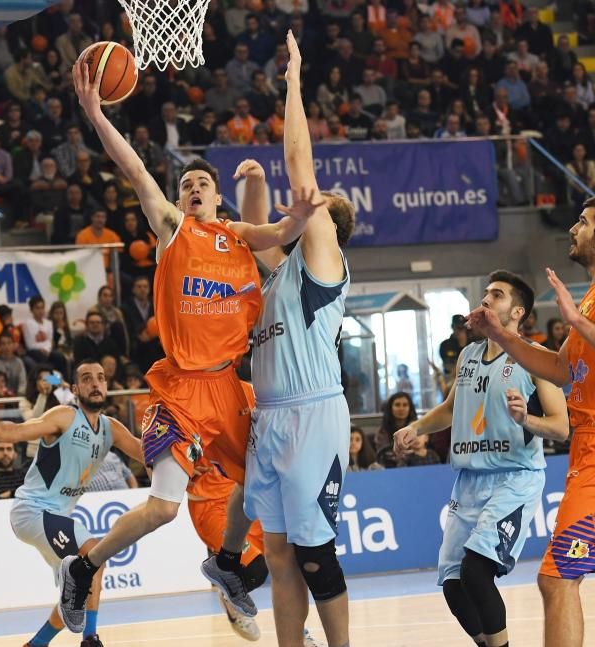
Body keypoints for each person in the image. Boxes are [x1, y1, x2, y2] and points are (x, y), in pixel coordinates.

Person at [58, 52, 318, 631]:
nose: (193, 188)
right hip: (179, 387)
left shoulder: (237, 236)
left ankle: (227, 564)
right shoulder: (174, 229)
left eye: (202, 183)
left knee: (261, 488)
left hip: (228, 385)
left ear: (217, 197)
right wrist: (98, 115)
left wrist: (299, 214)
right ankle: (83, 567)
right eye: (186, 184)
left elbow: (280, 231)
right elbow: (135, 172)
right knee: (163, 509)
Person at [468, 195, 595, 647]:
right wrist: (502, 334)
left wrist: (577, 323)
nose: (573, 229)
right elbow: (559, 371)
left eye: (582, 222)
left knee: (556, 579)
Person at [231, 32, 358, 647]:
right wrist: (252, 181)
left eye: (318, 209)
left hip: (313, 417)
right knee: (279, 552)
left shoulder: (325, 261)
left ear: (331, 225)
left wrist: (294, 84)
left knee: (315, 556)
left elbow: (300, 169)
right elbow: (260, 235)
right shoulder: (283, 271)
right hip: (272, 418)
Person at [396, 270, 568, 647]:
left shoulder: (537, 358)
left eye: (498, 295)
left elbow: (560, 427)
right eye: (487, 293)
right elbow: (451, 408)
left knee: (476, 574)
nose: (487, 299)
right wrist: (416, 428)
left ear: (518, 312)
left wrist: (527, 419)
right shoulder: (469, 355)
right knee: (454, 586)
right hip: (469, 483)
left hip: (514, 477)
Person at [0, 360, 145, 647]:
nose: (95, 383)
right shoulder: (64, 416)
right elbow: (18, 431)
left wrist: (183, 462)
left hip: (54, 517)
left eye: (100, 378)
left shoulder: (111, 428)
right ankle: (90, 638)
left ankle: (37, 644)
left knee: (81, 582)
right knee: (94, 555)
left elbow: (143, 452)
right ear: (76, 389)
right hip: (32, 510)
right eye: (87, 379)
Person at [440, 315, 471, 384]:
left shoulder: (471, 344)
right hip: (450, 379)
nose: (459, 331)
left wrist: (463, 345)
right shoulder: (445, 345)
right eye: (457, 327)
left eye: (462, 328)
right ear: (452, 327)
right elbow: (447, 367)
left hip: (468, 378)